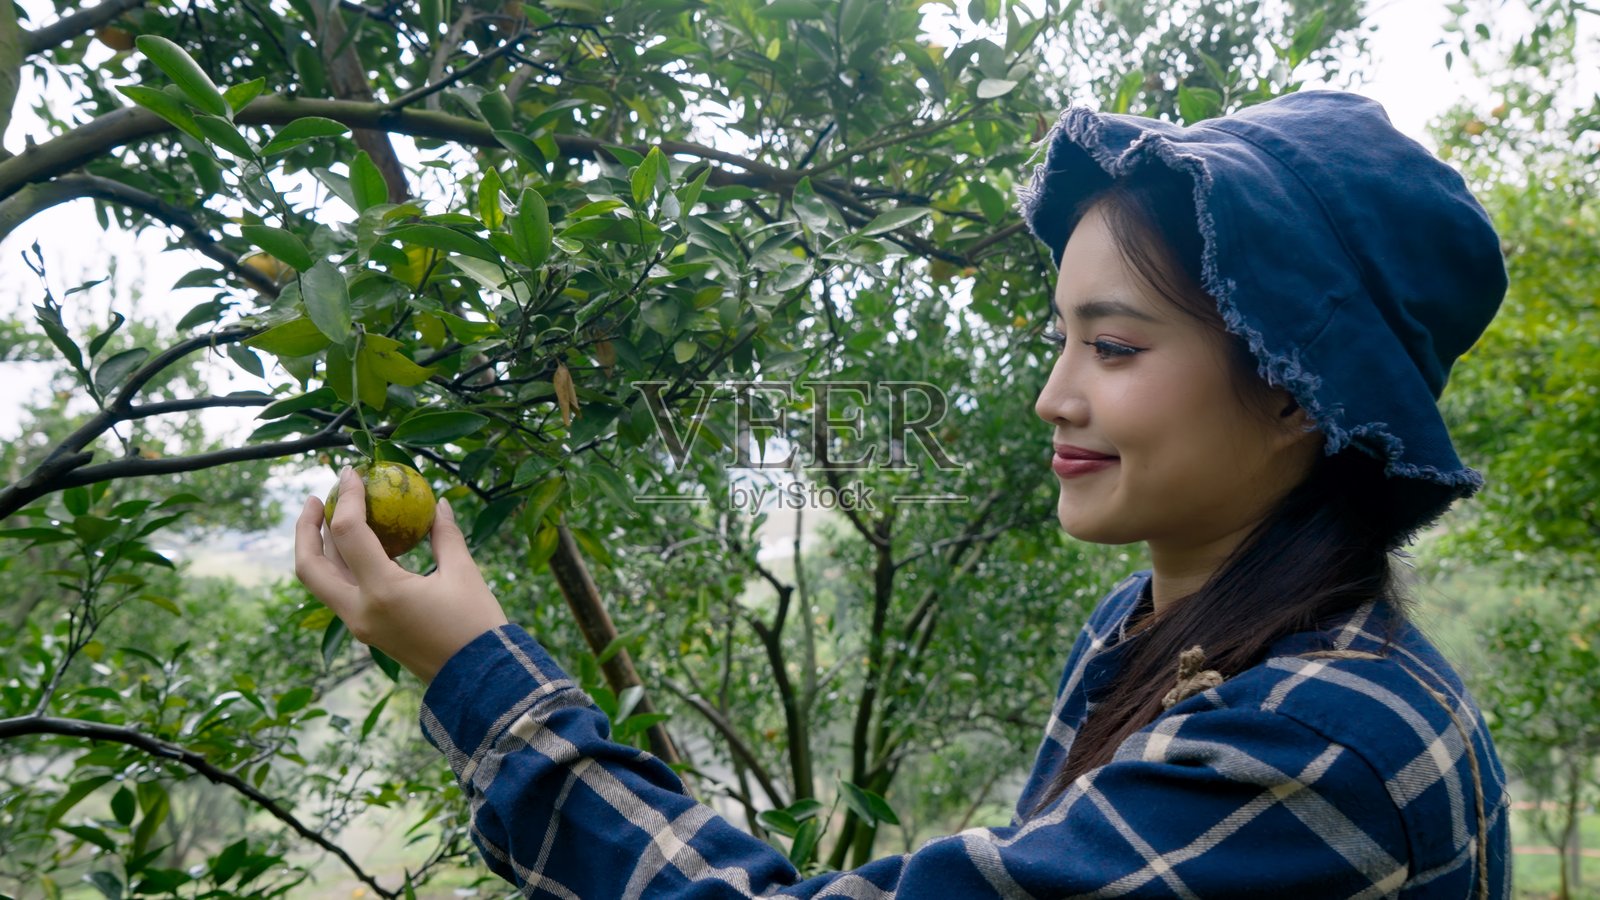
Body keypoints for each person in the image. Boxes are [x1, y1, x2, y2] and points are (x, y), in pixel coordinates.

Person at [295, 90, 1513, 897]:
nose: (1053, 396)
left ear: (1297, 389)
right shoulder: (1156, 632)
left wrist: (481, 676)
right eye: (1058, 339)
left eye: (1116, 347)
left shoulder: (1314, 746)